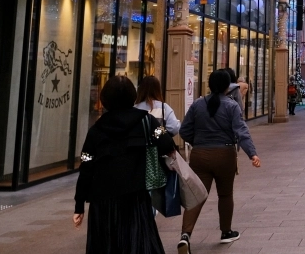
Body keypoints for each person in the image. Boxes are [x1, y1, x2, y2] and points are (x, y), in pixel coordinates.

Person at [73, 76, 175, 254]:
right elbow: (167, 143)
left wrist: (79, 205)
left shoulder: (96, 130)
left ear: (105, 100)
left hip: (103, 201)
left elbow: (86, 166)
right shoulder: (147, 121)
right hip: (136, 196)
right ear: (132, 96)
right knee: (139, 243)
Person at [178, 70, 261, 251]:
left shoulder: (198, 104)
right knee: (225, 194)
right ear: (227, 87)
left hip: (199, 155)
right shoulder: (232, 106)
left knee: (197, 195)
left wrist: (198, 142)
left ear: (209, 85)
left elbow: (184, 131)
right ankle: (226, 232)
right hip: (225, 154)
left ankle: (185, 235)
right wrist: (252, 154)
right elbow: (241, 132)